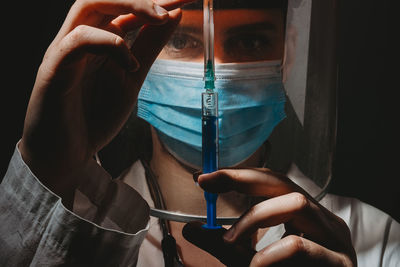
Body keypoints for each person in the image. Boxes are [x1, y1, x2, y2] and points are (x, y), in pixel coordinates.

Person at [0, 0, 399, 266]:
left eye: (249, 40)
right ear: (133, 50)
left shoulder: (377, 243)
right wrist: (48, 172)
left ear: (289, 52)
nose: (215, 76)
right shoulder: (69, 232)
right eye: (179, 39)